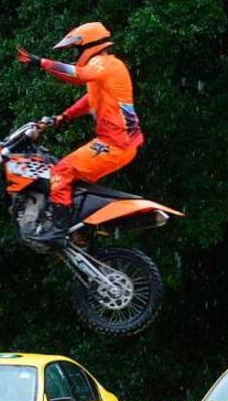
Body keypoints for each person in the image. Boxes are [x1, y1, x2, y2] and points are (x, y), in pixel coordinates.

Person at [16, 21, 144, 248]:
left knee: (62, 171)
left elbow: (77, 74)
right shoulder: (104, 71)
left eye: (76, 50)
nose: (76, 55)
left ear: (88, 45)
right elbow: (89, 101)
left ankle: (57, 231)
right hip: (116, 143)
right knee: (73, 183)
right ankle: (79, 231)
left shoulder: (105, 63)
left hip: (115, 144)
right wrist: (63, 117)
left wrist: (41, 62)